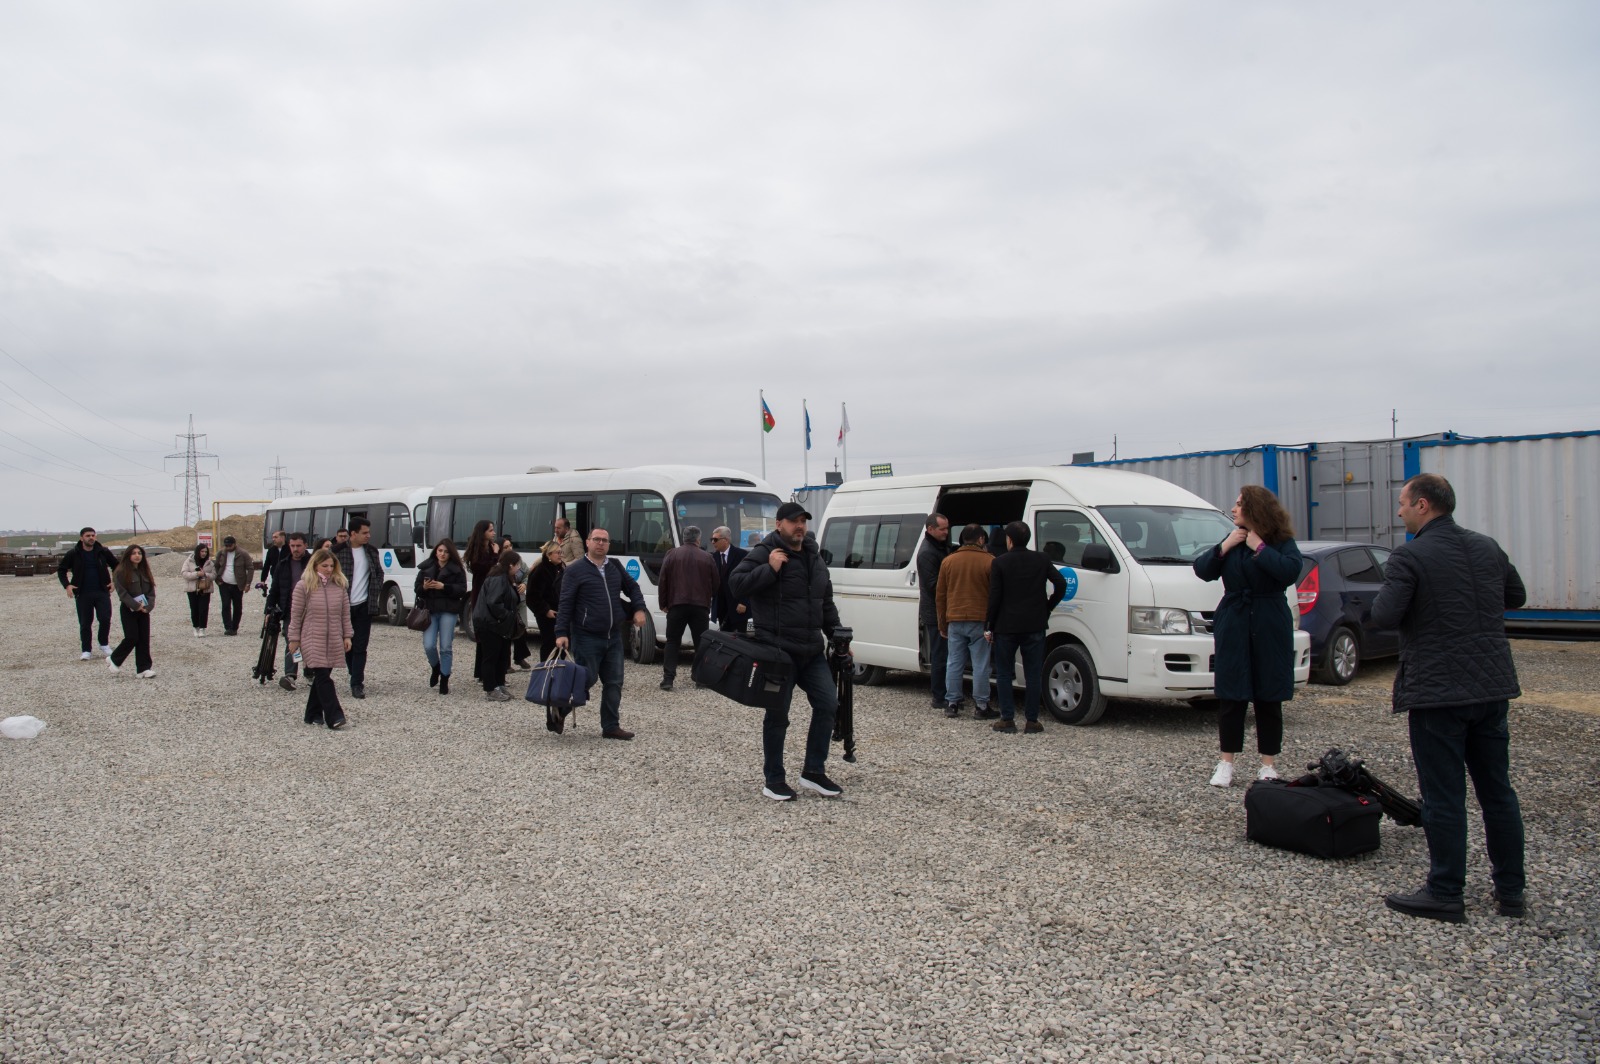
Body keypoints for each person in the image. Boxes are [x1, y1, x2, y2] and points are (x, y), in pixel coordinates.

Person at [1372, 473, 1527, 923]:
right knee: (1497, 792)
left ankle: (1445, 891)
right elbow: (1516, 595)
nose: (1398, 511)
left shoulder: (1411, 556)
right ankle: (1511, 892)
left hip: (1438, 691)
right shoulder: (1486, 546)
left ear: (1423, 505)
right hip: (1492, 686)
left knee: (1443, 796)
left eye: (1402, 503)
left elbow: (1384, 615)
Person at [730, 501, 846, 801]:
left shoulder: (814, 557)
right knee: (778, 715)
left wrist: (837, 636)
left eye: (803, 522)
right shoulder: (763, 552)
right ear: (779, 524)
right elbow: (737, 585)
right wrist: (769, 569)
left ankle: (813, 771)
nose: (800, 527)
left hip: (811, 649)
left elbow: (825, 602)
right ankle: (774, 779)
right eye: (794, 521)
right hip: (777, 650)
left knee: (828, 704)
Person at [1193, 486, 1303, 786]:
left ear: (1255, 509)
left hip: (1269, 622)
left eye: (1240, 504)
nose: (1234, 508)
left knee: (1269, 695)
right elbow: (1202, 570)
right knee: (1231, 693)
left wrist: (1261, 548)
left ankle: (1268, 764)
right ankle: (1226, 762)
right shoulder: (1233, 540)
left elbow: (1290, 571)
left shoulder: (1280, 542)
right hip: (1235, 620)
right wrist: (1224, 547)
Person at [554, 528, 648, 740]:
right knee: (586, 679)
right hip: (586, 636)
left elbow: (633, 588)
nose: (600, 543)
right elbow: (566, 603)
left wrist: (639, 608)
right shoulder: (575, 570)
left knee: (614, 682)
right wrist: (561, 632)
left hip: (613, 636)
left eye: (605, 540)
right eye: (596, 539)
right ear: (587, 542)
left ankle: (611, 726)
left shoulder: (614, 566)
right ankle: (560, 709)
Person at [985, 521, 1067, 734]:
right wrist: (1048, 607)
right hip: (1034, 624)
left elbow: (995, 597)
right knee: (1033, 673)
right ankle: (1032, 720)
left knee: (1004, 673)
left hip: (1006, 625)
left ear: (1009, 540)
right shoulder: (1042, 559)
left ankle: (1007, 719)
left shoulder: (1000, 562)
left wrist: (989, 624)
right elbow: (1061, 584)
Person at [287, 547, 354, 730]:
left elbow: (345, 614)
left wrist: (347, 635)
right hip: (311, 638)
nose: (329, 569)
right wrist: (293, 639)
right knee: (323, 676)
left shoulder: (339, 586)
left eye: (332, 565)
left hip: (333, 638)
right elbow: (296, 614)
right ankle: (335, 716)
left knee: (322, 676)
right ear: (315, 565)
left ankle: (312, 714)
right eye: (325, 565)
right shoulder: (304, 586)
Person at [937, 524, 995, 718]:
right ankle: (981, 706)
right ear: (980, 540)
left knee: (954, 662)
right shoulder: (990, 561)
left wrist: (942, 623)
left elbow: (941, 595)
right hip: (979, 619)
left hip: (954, 618)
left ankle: (952, 703)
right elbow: (995, 594)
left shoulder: (948, 561)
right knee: (980, 664)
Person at [656, 525, 716, 691]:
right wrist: (708, 599)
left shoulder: (672, 554)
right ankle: (700, 678)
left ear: (684, 538)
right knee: (700, 643)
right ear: (698, 539)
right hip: (700, 606)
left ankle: (668, 679)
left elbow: (663, 581)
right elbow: (716, 583)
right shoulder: (707, 557)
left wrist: (664, 604)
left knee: (672, 641)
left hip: (677, 605)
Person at [333, 516, 383, 699]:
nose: (368, 536)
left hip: (364, 605)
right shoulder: (337, 552)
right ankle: (353, 671)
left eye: (369, 532)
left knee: (361, 646)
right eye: (364, 533)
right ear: (352, 534)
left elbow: (378, 572)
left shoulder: (371, 551)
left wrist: (376, 587)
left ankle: (357, 683)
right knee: (347, 645)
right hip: (343, 607)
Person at [58, 527, 120, 660]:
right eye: (88, 536)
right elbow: (61, 570)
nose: (91, 538)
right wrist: (67, 585)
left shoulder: (103, 552)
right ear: (81, 538)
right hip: (83, 593)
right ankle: (86, 650)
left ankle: (104, 644)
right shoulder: (73, 553)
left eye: (93, 535)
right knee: (85, 622)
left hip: (102, 592)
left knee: (104, 619)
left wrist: (115, 581)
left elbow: (117, 566)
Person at [415, 538, 467, 695]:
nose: (442, 554)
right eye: (440, 551)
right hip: (430, 610)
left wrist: (444, 587)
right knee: (429, 645)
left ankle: (445, 679)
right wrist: (424, 587)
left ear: (450, 553)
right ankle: (435, 667)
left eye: (445, 551)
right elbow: (417, 588)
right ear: (435, 551)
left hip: (448, 610)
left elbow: (462, 590)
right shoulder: (426, 567)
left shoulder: (457, 569)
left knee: (446, 646)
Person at [473, 550, 524, 701]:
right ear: (510, 565)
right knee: (491, 656)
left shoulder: (506, 578)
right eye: (517, 565)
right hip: (490, 624)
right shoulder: (498, 578)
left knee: (502, 655)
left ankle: (499, 684)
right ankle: (490, 688)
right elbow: (493, 602)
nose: (518, 568)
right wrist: (506, 616)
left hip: (499, 624)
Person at [266, 532, 311, 691]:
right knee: (291, 641)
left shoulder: (313, 563)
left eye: (298, 546)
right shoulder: (283, 564)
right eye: (292, 546)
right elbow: (275, 589)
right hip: (289, 609)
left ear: (305, 545)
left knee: (309, 642)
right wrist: (268, 610)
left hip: (311, 610)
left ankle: (310, 671)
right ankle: (290, 675)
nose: (295, 549)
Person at [917, 513, 953, 708]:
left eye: (947, 528)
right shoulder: (927, 552)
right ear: (930, 529)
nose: (946, 532)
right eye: (942, 529)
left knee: (946, 653)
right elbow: (932, 585)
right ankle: (939, 696)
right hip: (935, 611)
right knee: (940, 655)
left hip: (942, 608)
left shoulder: (940, 547)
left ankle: (947, 693)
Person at [107, 544, 157, 677]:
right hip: (129, 609)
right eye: (134, 553)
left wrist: (148, 606)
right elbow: (122, 593)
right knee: (132, 637)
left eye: (139, 553)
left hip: (144, 611)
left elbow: (151, 591)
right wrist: (136, 606)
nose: (137, 555)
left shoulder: (145, 570)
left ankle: (143, 669)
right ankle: (114, 659)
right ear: (128, 555)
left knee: (144, 639)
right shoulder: (121, 571)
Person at [527, 542, 565, 661]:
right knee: (549, 643)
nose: (560, 555)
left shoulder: (561, 568)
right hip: (546, 615)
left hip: (560, 613)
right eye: (558, 553)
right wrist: (545, 610)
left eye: (561, 552)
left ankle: (558, 671)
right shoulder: (540, 571)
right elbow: (532, 597)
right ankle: (546, 671)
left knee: (562, 644)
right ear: (549, 555)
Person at [709, 526, 749, 632]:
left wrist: (744, 602)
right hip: (721, 607)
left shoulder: (742, 555)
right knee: (724, 639)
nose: (713, 542)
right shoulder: (713, 557)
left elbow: (748, 580)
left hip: (738, 606)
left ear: (725, 540)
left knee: (739, 640)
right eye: (712, 539)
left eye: (715, 539)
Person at [463, 519, 499, 636]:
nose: (494, 533)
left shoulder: (491, 547)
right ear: (482, 532)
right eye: (491, 530)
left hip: (493, 589)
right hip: (481, 591)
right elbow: (487, 568)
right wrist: (495, 554)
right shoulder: (476, 551)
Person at [501, 537, 533, 669]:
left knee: (521, 628)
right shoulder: (499, 565)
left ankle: (519, 657)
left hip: (520, 600)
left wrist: (524, 584)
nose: (509, 549)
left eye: (510, 546)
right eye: (506, 547)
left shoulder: (518, 560)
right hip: (507, 602)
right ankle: (506, 663)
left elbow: (526, 574)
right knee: (507, 632)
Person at [213, 535, 254, 636]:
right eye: (226, 545)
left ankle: (234, 628)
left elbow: (250, 568)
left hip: (237, 585)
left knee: (237, 607)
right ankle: (228, 627)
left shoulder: (243, 554)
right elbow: (216, 566)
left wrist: (248, 583)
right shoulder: (221, 553)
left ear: (235, 544)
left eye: (230, 545)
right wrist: (217, 580)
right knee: (225, 605)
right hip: (224, 584)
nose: (228, 547)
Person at [180, 542, 217, 637]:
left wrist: (205, 574)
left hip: (205, 589)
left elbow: (214, 575)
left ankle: (202, 628)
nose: (204, 553)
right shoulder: (189, 561)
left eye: (205, 551)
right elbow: (184, 573)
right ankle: (195, 627)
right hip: (192, 589)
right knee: (194, 609)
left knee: (203, 609)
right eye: (202, 551)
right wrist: (196, 574)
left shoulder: (209, 563)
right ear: (197, 551)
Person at [258, 529, 286, 596]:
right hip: (275, 579)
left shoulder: (289, 549)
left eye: (276, 537)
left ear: (282, 538)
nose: (273, 539)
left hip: (287, 580)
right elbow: (266, 566)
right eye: (273, 537)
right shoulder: (271, 550)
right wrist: (262, 580)